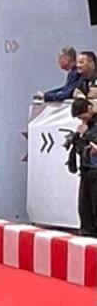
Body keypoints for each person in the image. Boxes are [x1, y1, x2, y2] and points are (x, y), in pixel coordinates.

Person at [66, 97, 97, 236]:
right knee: (85, 207)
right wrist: (79, 136)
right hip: (86, 169)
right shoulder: (86, 125)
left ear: (90, 108)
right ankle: (86, 232)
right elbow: (79, 147)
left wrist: (86, 135)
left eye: (83, 116)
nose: (82, 120)